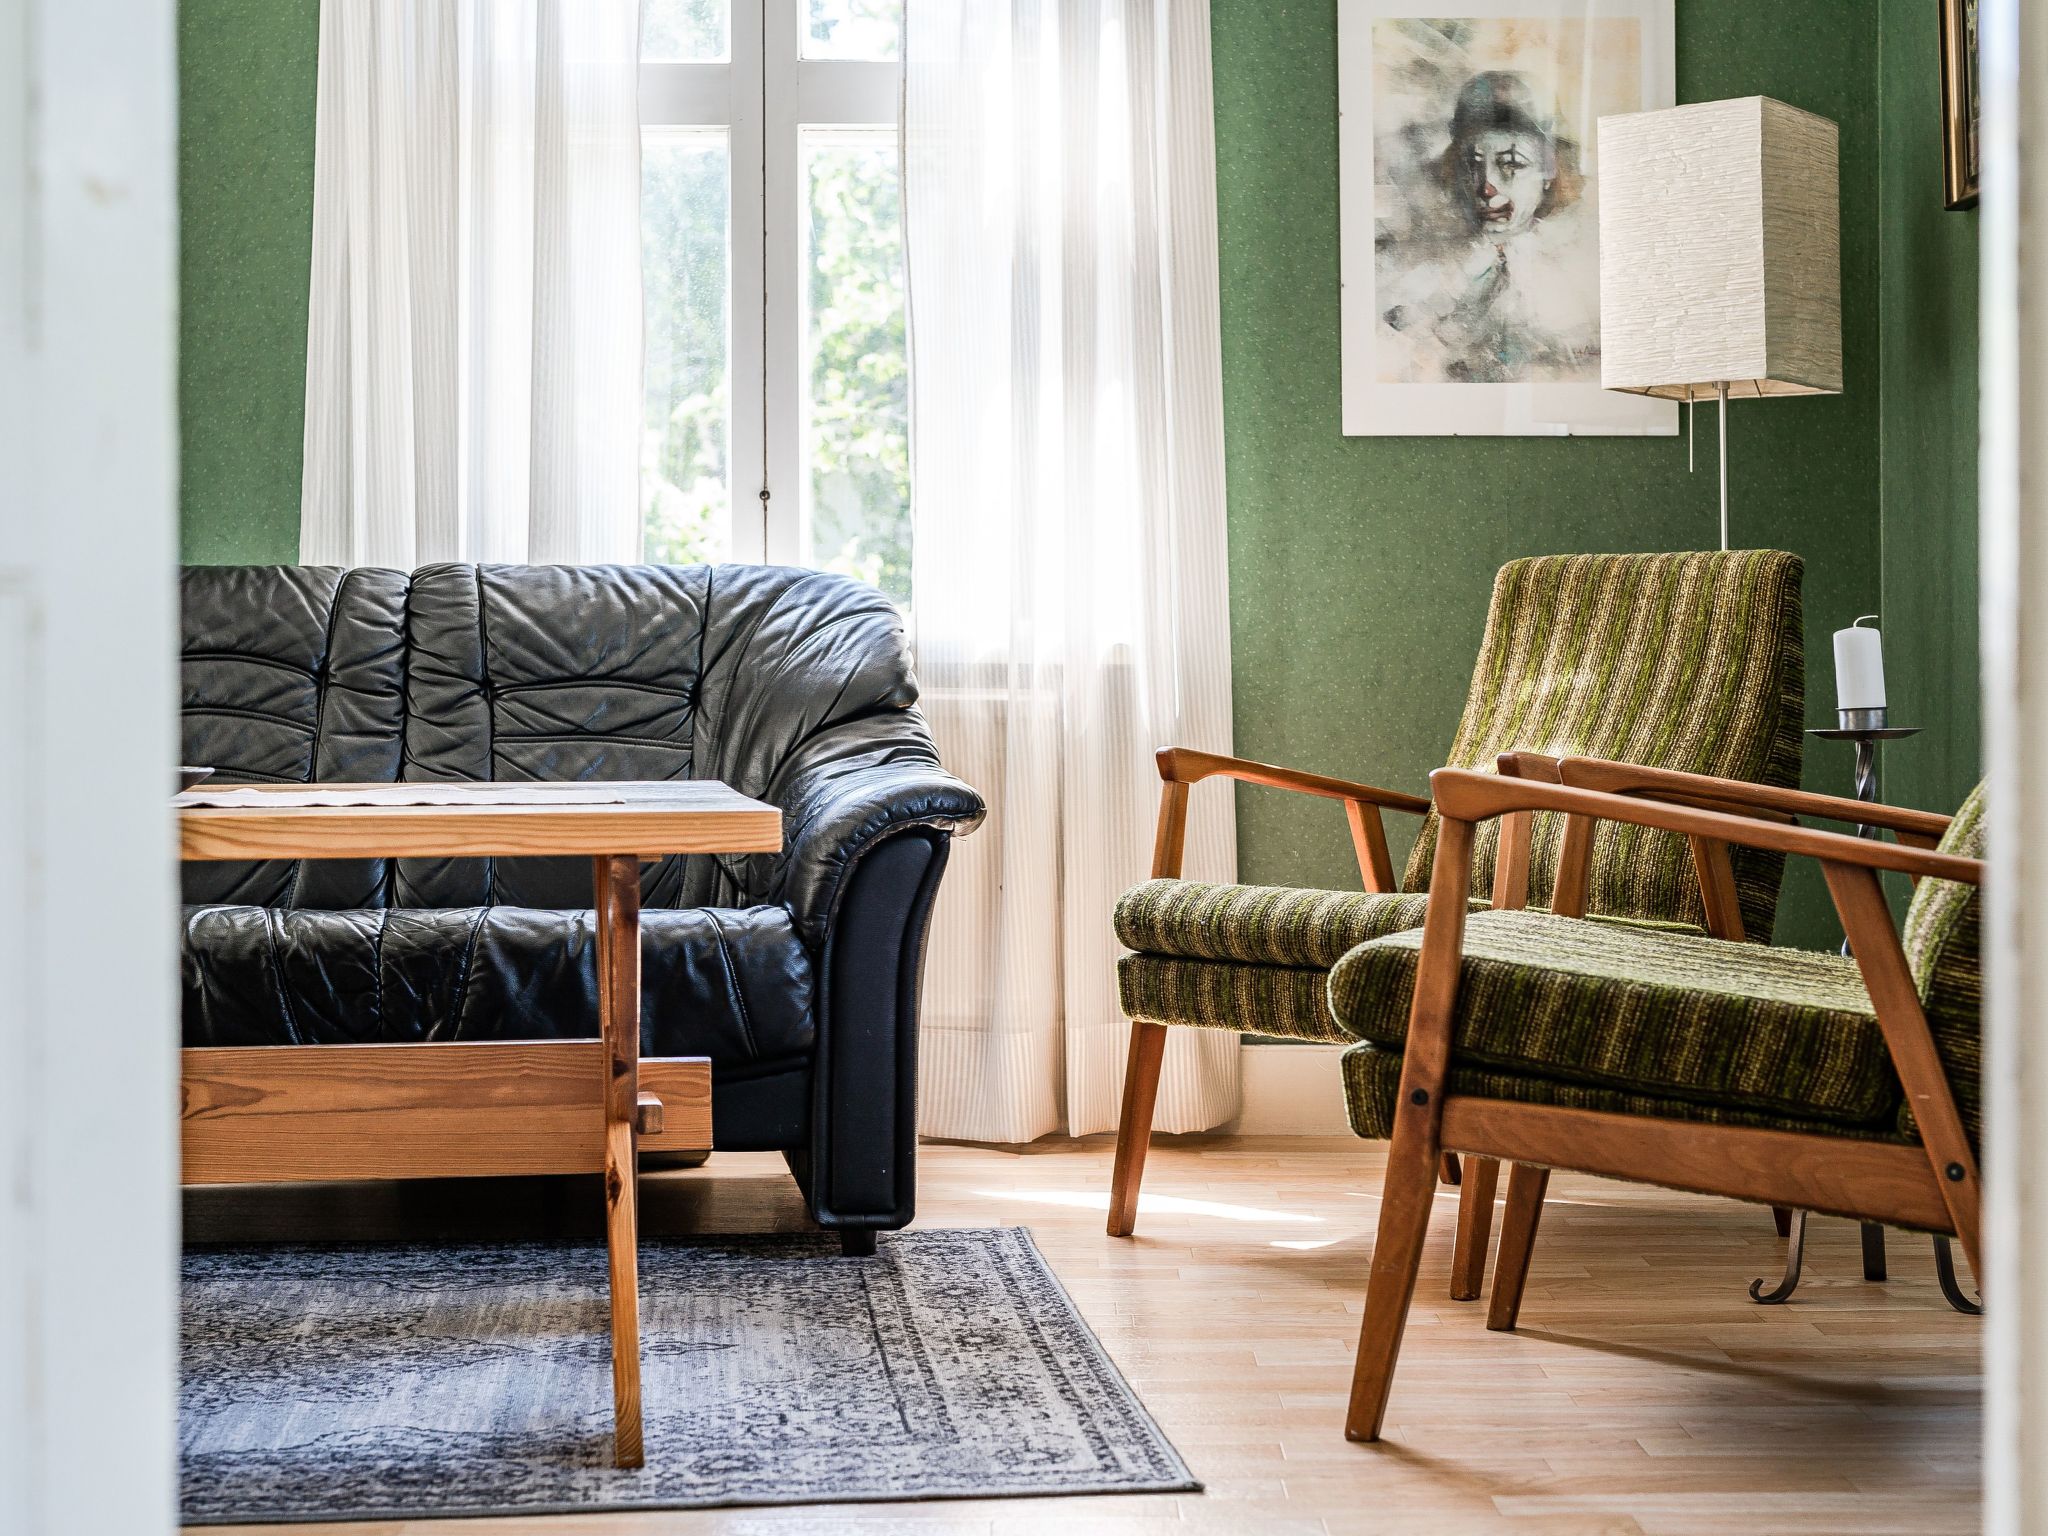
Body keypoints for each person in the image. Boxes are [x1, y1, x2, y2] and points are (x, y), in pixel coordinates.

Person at [1378, 70, 1600, 385]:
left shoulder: (1582, 269)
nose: (1486, 186)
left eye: (1511, 165)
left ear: (1549, 173)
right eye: (1473, 164)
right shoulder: (1428, 272)